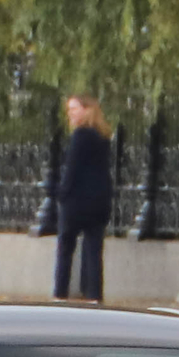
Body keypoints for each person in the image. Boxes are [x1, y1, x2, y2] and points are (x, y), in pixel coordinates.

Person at [51, 95, 112, 302]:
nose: (70, 113)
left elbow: (72, 169)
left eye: (74, 109)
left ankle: (60, 293)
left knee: (65, 248)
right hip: (98, 202)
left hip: (76, 202)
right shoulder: (103, 136)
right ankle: (95, 296)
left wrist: (61, 194)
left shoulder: (80, 136)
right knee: (94, 250)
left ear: (87, 110)